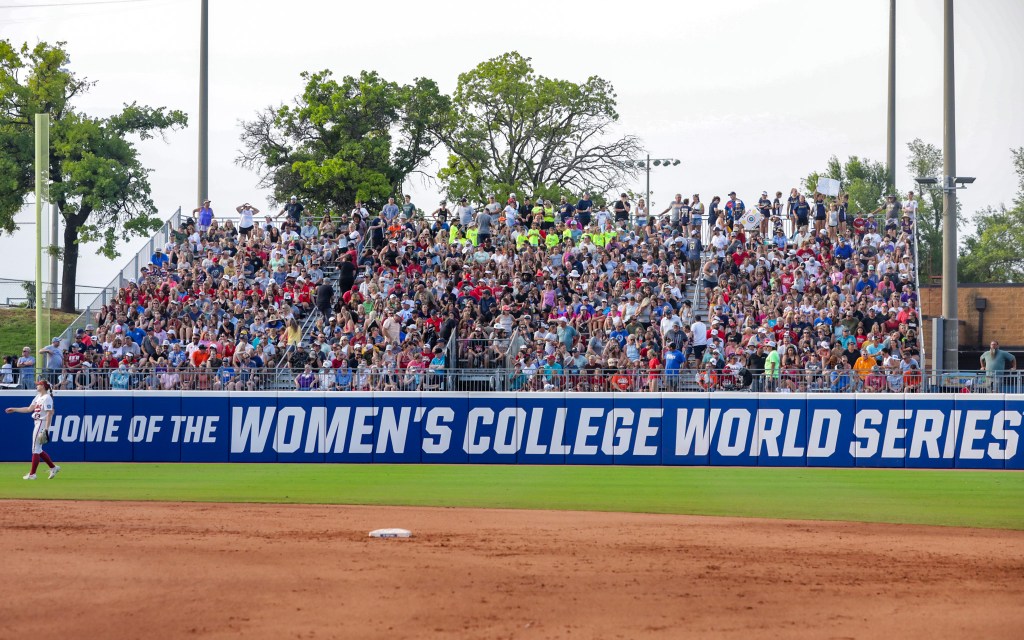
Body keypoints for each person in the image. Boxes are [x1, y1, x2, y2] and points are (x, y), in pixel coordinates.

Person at [5, 379, 61, 480]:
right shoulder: (38, 396)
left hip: (41, 423)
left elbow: (49, 413)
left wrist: (47, 429)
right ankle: (53, 467)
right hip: (37, 422)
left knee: (35, 449)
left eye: (38, 385)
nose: (36, 386)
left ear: (43, 386)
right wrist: (14, 409)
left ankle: (32, 474)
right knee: (38, 449)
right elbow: (29, 409)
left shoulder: (47, 398)